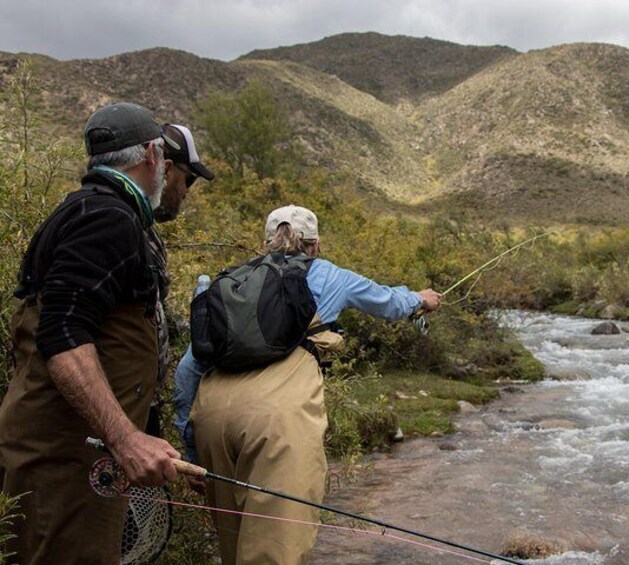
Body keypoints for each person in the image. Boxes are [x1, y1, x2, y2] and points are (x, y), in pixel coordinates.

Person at [177, 205, 442, 564]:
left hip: (212, 419)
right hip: (277, 421)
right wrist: (421, 299)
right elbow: (389, 303)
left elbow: (188, 369)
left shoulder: (233, 282)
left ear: (264, 243)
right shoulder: (331, 276)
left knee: (232, 545)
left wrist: (191, 449)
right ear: (315, 245)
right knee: (277, 549)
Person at [0, 102, 185, 564]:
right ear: (151, 155)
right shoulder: (107, 219)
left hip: (74, 450)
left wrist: (144, 438)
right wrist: (126, 440)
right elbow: (63, 334)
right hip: (66, 459)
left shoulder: (87, 208)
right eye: (164, 156)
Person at [145, 123, 214, 439]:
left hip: (140, 409)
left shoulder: (144, 228)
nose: (188, 190)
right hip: (116, 420)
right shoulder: (114, 224)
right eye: (190, 179)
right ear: (167, 169)